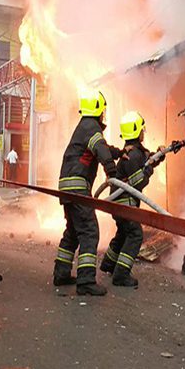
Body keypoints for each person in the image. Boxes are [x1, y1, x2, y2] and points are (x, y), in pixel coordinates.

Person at [53, 90, 122, 296]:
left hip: (67, 187)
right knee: (90, 231)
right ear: (99, 109)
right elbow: (100, 148)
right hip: (78, 187)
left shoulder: (84, 127)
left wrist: (119, 152)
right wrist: (112, 171)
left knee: (73, 231)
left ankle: (61, 273)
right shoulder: (92, 127)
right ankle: (86, 281)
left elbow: (101, 147)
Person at [99, 112, 164, 287]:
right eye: (142, 129)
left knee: (123, 233)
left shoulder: (135, 152)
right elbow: (138, 181)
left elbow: (146, 161)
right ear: (137, 131)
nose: (144, 132)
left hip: (119, 204)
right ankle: (121, 274)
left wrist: (158, 156)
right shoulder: (133, 155)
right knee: (135, 235)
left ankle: (109, 263)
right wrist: (150, 169)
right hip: (125, 204)